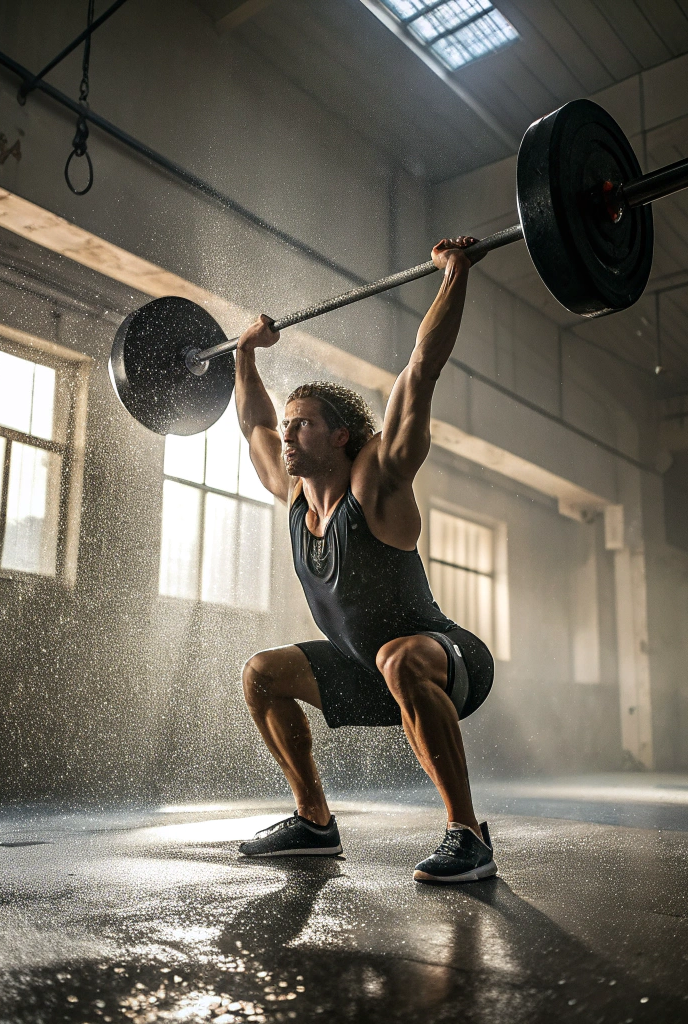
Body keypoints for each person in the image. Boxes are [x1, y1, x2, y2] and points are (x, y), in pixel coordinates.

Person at [234, 237, 496, 883]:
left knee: (397, 656)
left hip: (446, 658)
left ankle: (467, 834)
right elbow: (252, 425)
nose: (288, 436)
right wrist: (243, 354)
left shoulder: (375, 481)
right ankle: (315, 822)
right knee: (261, 673)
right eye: (289, 425)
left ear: (341, 436)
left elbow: (421, 370)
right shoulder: (293, 492)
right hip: (365, 667)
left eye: (303, 425)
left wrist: (455, 274)